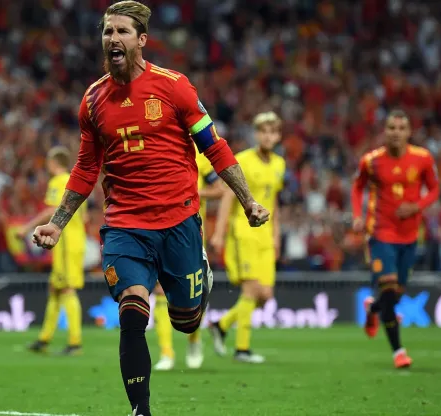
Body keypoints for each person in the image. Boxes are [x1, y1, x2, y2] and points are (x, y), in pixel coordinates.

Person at [30, 2, 270, 415]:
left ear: (141, 39)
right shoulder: (92, 101)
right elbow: (87, 167)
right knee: (133, 310)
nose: (113, 39)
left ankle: (199, 287)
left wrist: (247, 200)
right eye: (107, 32)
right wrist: (57, 222)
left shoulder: (174, 87)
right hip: (125, 226)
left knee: (186, 321)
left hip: (178, 222)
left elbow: (214, 146)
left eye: (122, 32)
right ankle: (141, 409)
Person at [350, 110, 440, 369]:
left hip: (410, 236)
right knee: (389, 289)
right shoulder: (371, 161)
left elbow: (434, 188)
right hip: (380, 233)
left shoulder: (423, 158)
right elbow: (357, 187)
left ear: (409, 132)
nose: (396, 132)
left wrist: (417, 206)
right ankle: (398, 352)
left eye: (401, 128)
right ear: (385, 131)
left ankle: (373, 309)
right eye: (391, 127)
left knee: (396, 296)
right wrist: (358, 216)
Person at [208, 111, 285, 364]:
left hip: (266, 236)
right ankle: (242, 349)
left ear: (278, 136)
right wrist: (219, 233)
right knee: (252, 289)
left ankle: (221, 324)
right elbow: (228, 197)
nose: (267, 136)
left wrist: (276, 235)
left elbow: (274, 201)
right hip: (244, 231)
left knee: (265, 295)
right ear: (256, 134)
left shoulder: (279, 164)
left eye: (272, 131)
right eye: (263, 131)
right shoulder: (242, 160)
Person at [153, 145, 224, 371]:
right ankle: (166, 353)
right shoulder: (157, 147)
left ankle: (194, 341)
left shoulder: (199, 155)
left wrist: (191, 191)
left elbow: (220, 189)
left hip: (188, 229)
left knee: (192, 288)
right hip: (156, 224)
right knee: (158, 289)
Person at [17, 146, 87, 356]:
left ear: (53, 162)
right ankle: (44, 338)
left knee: (66, 289)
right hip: (75, 241)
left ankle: (75, 342)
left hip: (65, 242)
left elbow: (51, 210)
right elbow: (84, 217)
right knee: (55, 288)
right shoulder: (77, 180)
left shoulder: (58, 181)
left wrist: (26, 227)